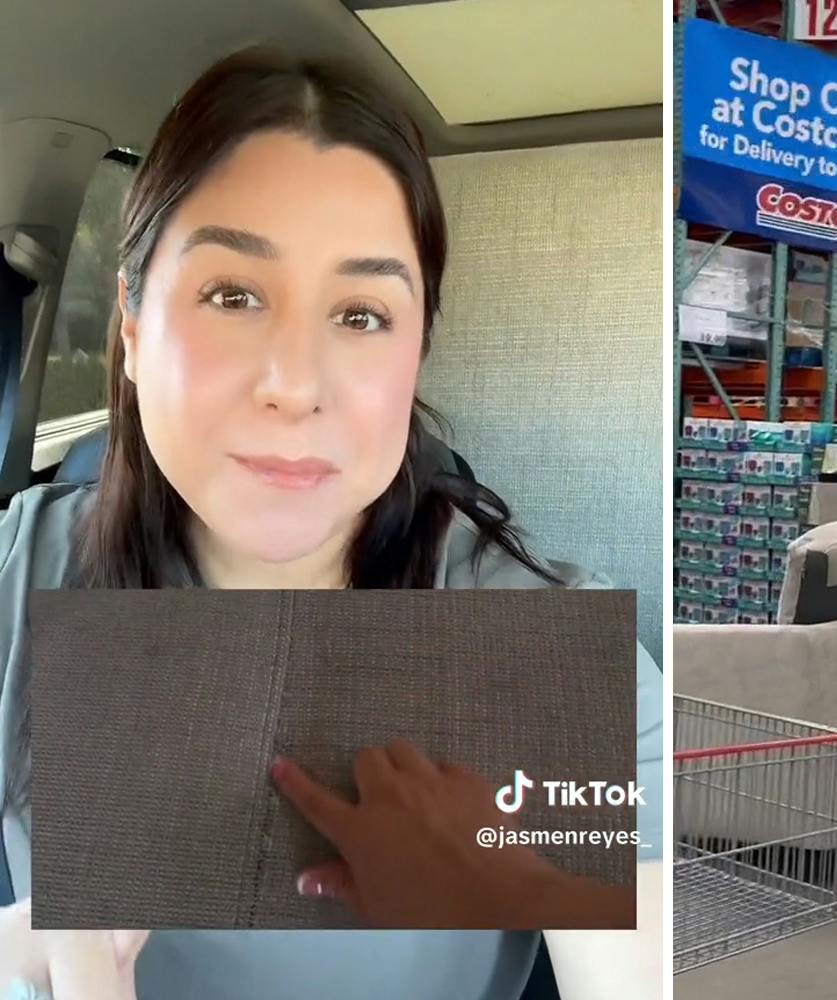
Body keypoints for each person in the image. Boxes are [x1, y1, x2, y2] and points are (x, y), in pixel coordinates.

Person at [0, 49, 662, 999]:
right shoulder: (24, 577)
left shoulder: (547, 656)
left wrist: (517, 878)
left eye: (360, 314)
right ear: (134, 329)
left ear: (417, 350)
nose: (296, 385)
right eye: (233, 296)